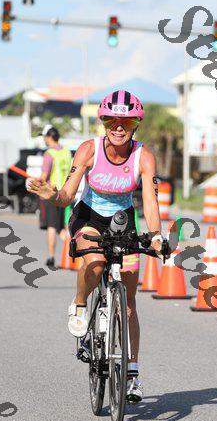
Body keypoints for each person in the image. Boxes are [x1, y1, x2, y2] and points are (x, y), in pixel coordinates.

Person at [28, 90, 164, 403]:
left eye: (126, 122)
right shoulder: (89, 150)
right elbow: (67, 194)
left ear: (136, 124)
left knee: (129, 302)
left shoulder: (143, 157)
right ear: (103, 122)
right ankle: (79, 302)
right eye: (111, 121)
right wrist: (53, 195)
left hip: (123, 219)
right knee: (97, 261)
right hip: (89, 216)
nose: (119, 127)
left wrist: (156, 235)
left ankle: (132, 373)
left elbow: (150, 202)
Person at [38, 125, 72, 268]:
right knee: (62, 227)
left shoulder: (49, 154)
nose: (44, 140)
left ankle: (51, 256)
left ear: (49, 137)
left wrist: (37, 182)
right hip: (65, 194)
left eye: (44, 137)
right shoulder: (67, 152)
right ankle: (73, 251)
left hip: (51, 195)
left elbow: (44, 176)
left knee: (52, 226)